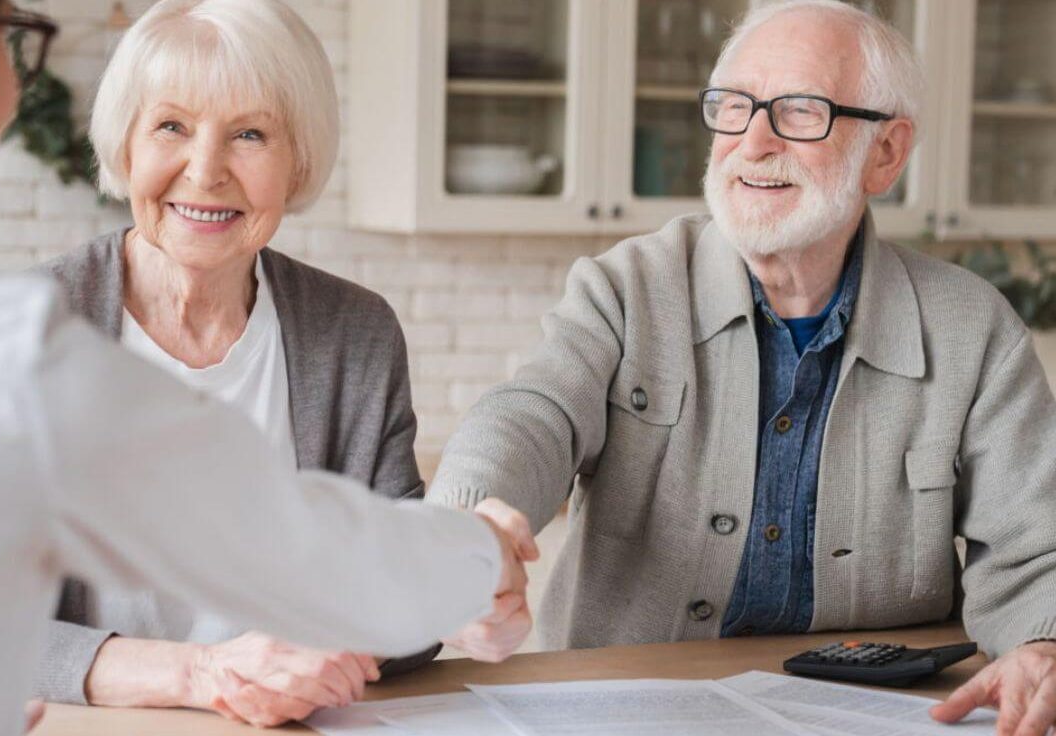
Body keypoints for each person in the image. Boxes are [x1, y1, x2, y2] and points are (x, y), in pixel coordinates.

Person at [0, 2, 537, 735]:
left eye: (251, 134)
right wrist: (477, 556)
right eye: (4, 31)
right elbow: (282, 542)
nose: (14, 86)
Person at [428, 2, 1056, 734]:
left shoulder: (973, 327)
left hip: (886, 716)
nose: (751, 143)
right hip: (633, 709)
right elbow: (530, 413)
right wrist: (466, 525)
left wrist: (1045, 643)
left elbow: (1036, 545)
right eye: (733, 108)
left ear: (886, 153)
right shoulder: (626, 287)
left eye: (798, 111)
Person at [30, 2, 521, 724]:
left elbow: (390, 603)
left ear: (298, 163)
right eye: (171, 126)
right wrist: (204, 674)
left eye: (250, 134)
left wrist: (455, 595)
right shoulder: (27, 330)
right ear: (127, 145)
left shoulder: (354, 333)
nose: (205, 170)